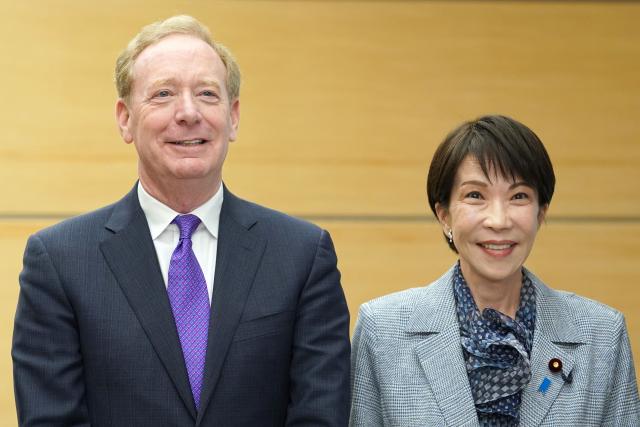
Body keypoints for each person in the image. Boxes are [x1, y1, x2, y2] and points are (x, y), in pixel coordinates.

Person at [12, 15, 350, 426]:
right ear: (124, 118)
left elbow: (320, 414)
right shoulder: (61, 261)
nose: (188, 113)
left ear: (234, 116)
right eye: (163, 94)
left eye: (207, 94)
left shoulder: (302, 255)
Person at [350, 115, 639, 426]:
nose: (499, 220)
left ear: (541, 213)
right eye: (475, 195)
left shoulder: (601, 335)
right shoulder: (383, 330)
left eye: (519, 197)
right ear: (444, 214)